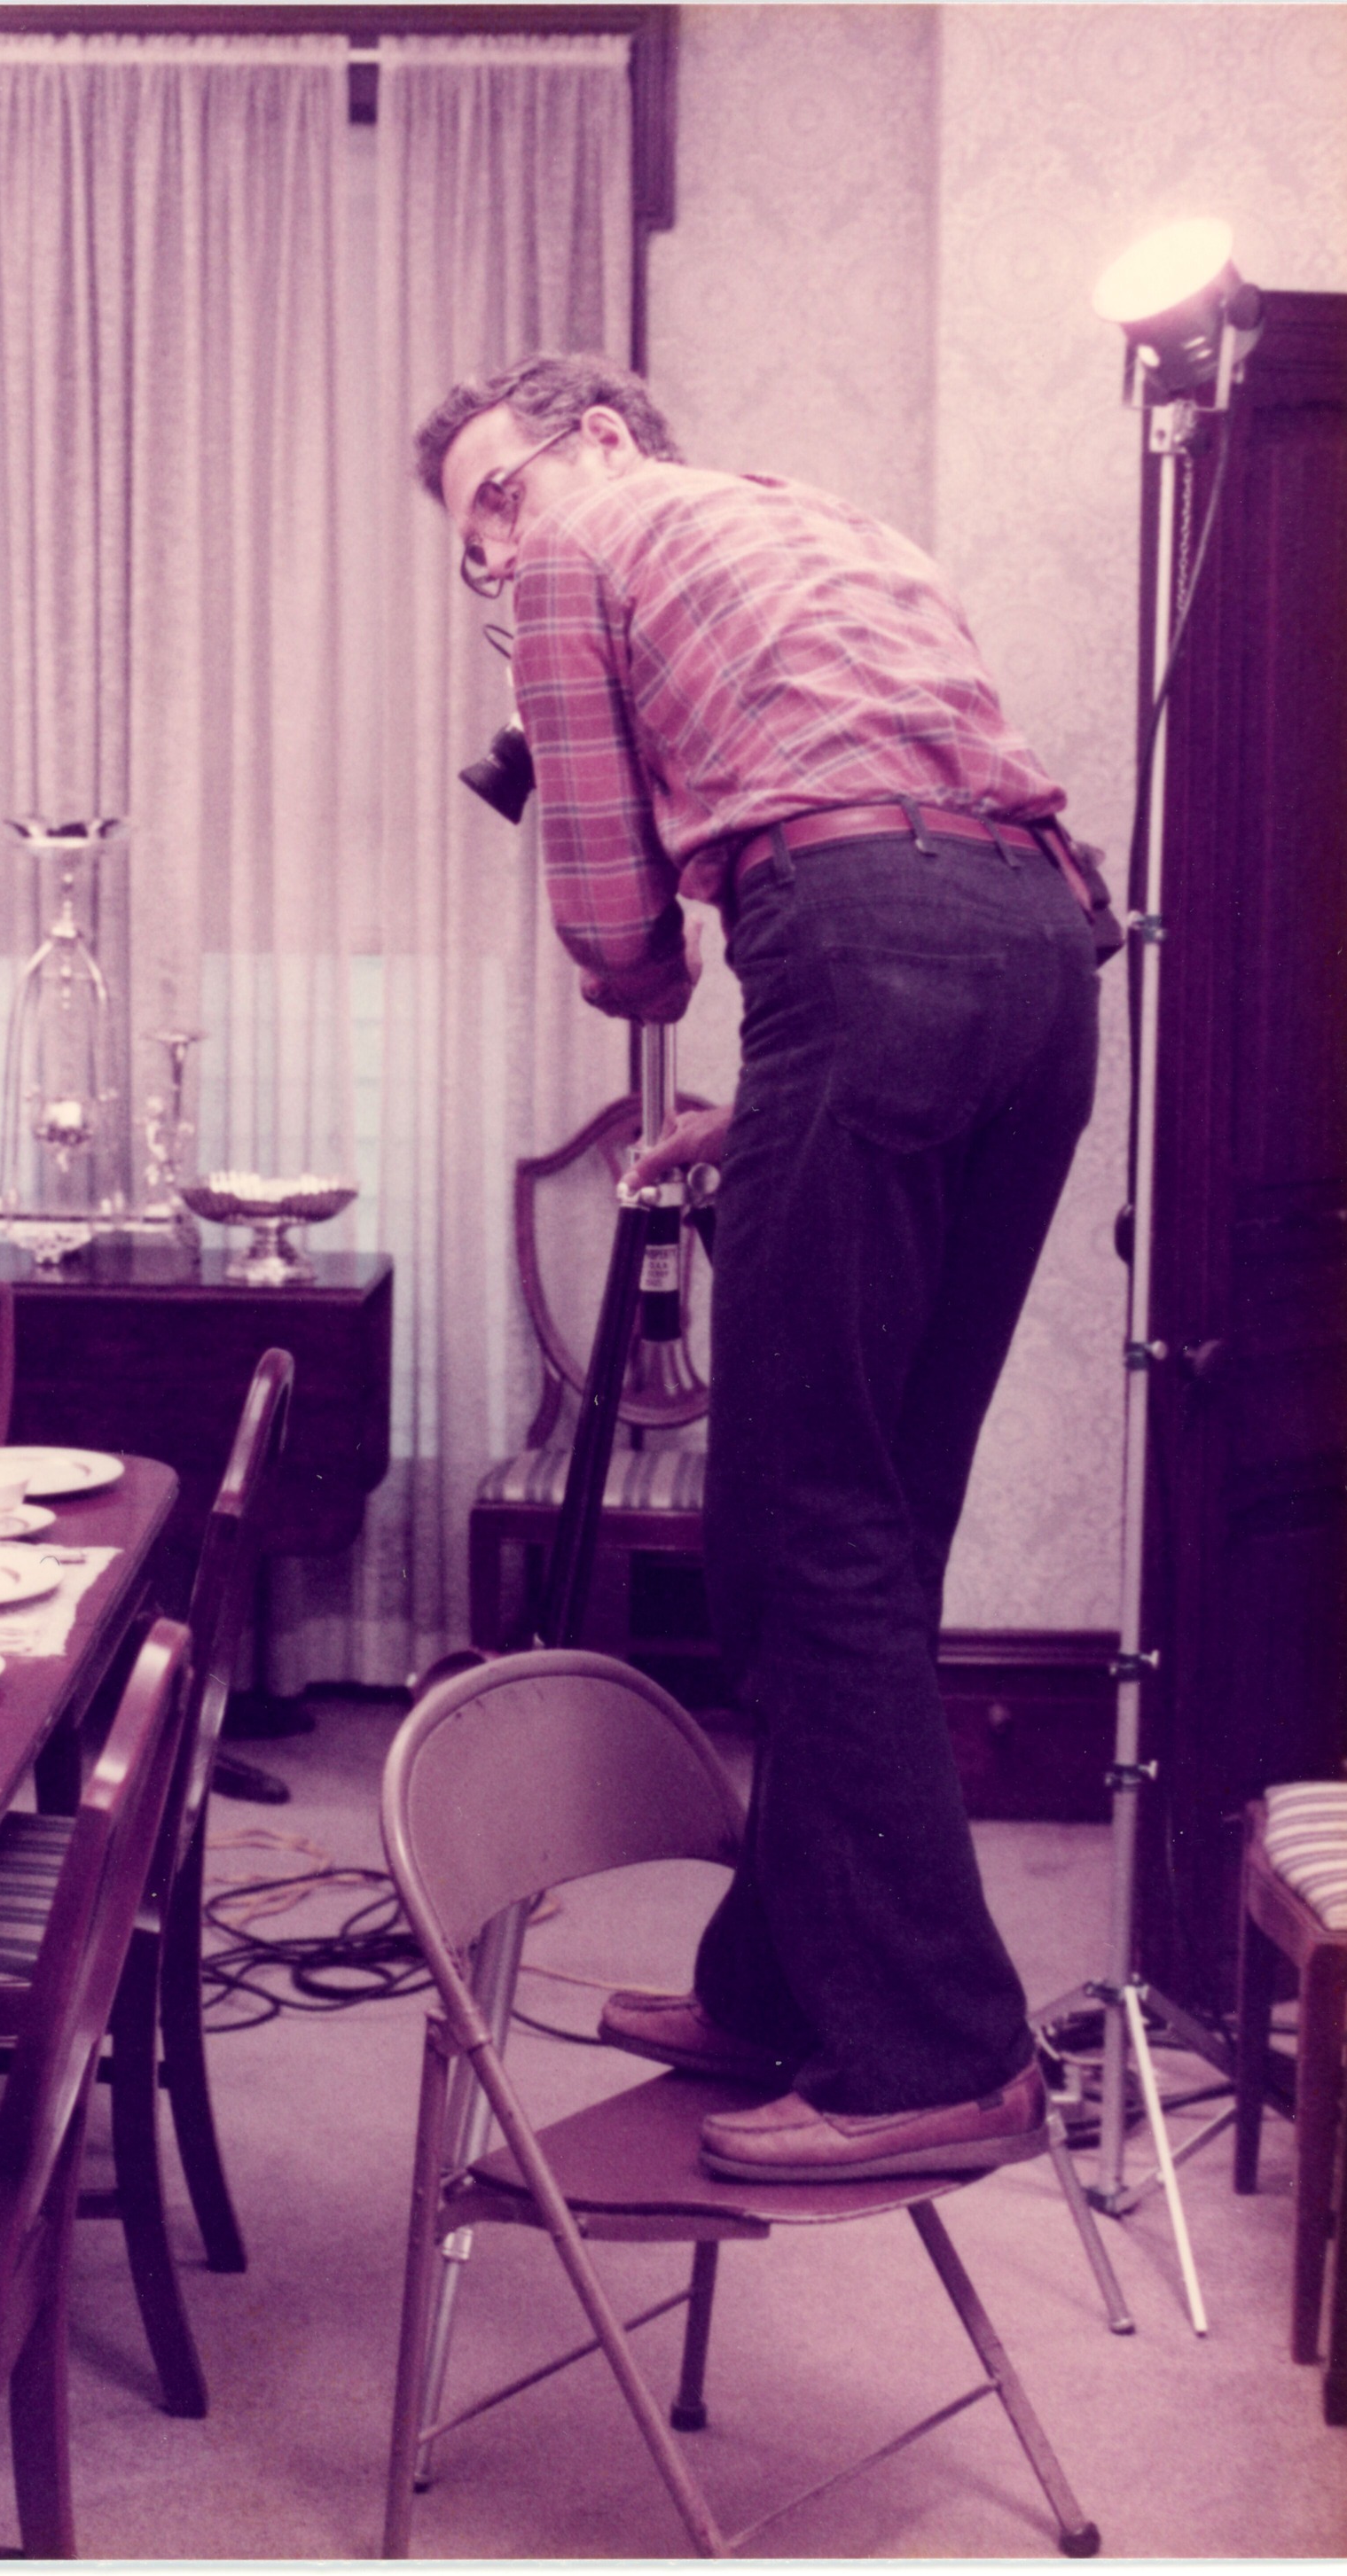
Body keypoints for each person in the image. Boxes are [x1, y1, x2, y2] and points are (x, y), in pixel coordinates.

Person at [414, 353, 1108, 2184]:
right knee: (883, 1505)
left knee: (793, 1529)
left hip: (863, 951)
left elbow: (623, 935)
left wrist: (637, 962)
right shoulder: (841, 528)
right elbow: (918, 846)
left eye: (498, 497)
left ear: (604, 443)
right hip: (1038, 959)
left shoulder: (587, 541)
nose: (493, 552)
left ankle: (943, 2047)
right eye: (472, 538)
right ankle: (784, 1976)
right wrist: (781, 1094)